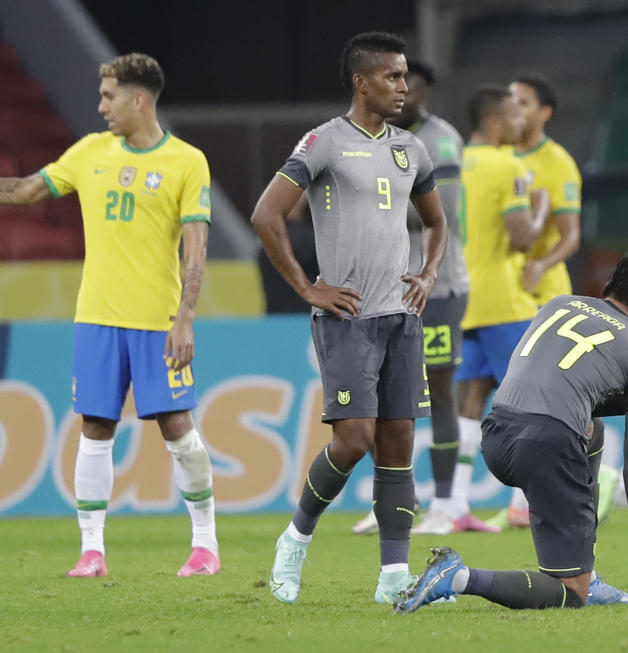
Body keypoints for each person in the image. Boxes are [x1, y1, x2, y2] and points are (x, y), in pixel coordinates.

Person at [0, 53, 220, 578]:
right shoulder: (89, 153)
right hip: (96, 317)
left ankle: (205, 545)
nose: (100, 107)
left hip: (157, 321)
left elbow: (196, 246)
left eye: (108, 96)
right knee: (95, 426)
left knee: (178, 429)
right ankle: (92, 551)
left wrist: (185, 317)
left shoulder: (186, 161)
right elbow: (27, 189)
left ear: (138, 99)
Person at [251, 32, 447, 606]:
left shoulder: (412, 148)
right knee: (354, 439)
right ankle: (295, 539)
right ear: (362, 82)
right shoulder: (324, 143)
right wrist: (306, 287)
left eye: (405, 76)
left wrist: (429, 273)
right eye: (392, 77)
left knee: (399, 442)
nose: (403, 87)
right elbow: (268, 215)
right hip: (349, 318)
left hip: (401, 317)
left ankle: (392, 579)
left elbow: (436, 222)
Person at [396, 252, 628, 612]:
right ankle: (459, 576)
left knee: (594, 431)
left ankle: (586, 571)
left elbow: (553, 381)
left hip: (497, 434)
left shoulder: (558, 304)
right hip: (547, 447)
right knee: (570, 594)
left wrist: (625, 403)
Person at [351, 59, 470, 537]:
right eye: (395, 82)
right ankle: (393, 500)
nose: (402, 92)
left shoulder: (439, 141)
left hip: (435, 286)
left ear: (424, 92)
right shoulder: (371, 140)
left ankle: (444, 505)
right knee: (380, 398)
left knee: (440, 393)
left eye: (411, 84)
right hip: (381, 289)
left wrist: (371, 212)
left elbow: (444, 215)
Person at [446, 84, 548, 532]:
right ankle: (524, 502)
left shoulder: (452, 162)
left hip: (462, 299)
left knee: (471, 400)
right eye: (512, 116)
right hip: (503, 302)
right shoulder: (509, 166)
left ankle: (455, 503)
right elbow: (522, 237)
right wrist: (540, 209)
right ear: (492, 122)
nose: (519, 123)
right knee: (531, 399)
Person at [491, 71, 588, 529]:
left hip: (547, 295)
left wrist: (542, 265)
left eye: (524, 101)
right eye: (511, 100)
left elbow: (571, 237)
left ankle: (589, 477)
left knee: (553, 399)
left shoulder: (558, 163)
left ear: (544, 112)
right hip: (502, 295)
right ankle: (529, 497)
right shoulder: (499, 157)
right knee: (505, 396)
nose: (517, 108)